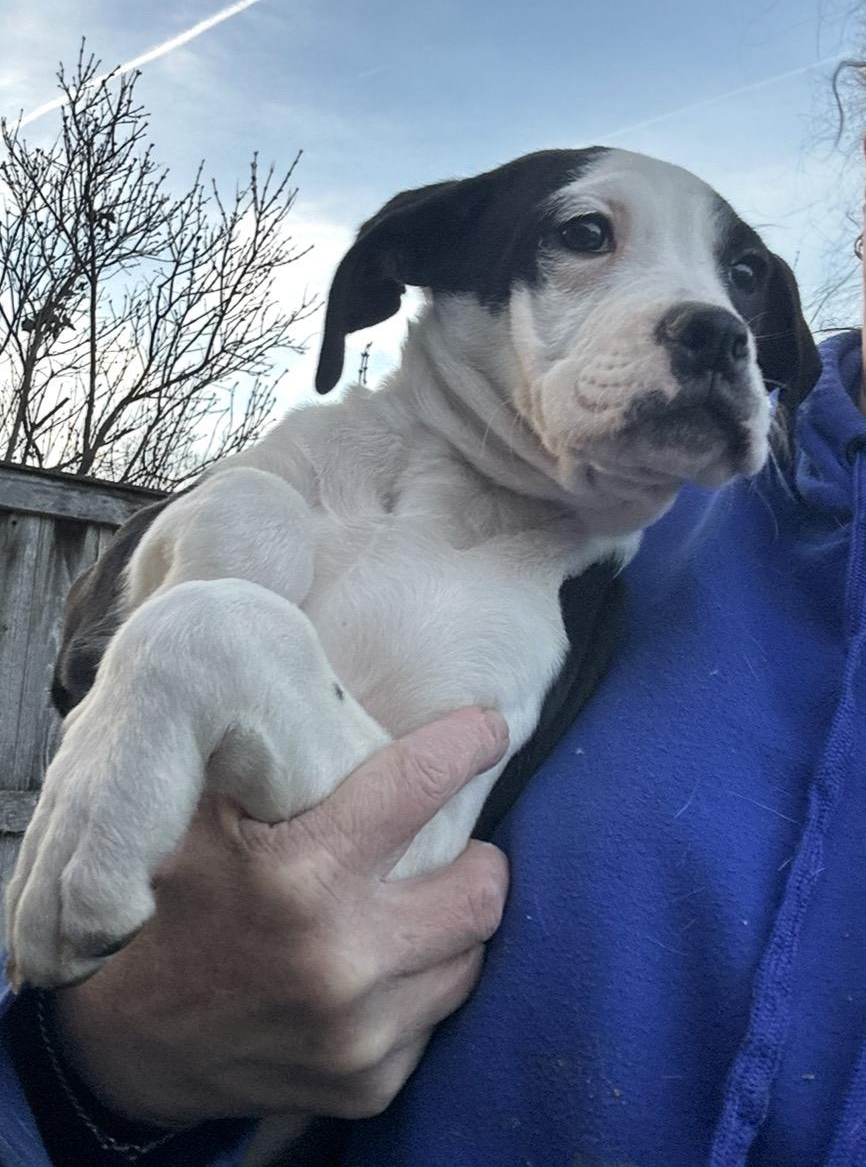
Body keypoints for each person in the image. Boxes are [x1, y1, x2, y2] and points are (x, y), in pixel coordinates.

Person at [1, 132, 865, 1167]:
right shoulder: (298, 469)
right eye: (588, 235)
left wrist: (204, 637)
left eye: (738, 283)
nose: (719, 324)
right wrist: (71, 1069)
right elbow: (84, 664)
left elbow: (363, 878)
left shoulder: (573, 593)